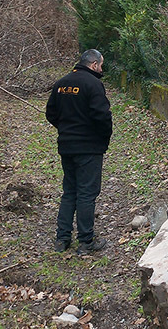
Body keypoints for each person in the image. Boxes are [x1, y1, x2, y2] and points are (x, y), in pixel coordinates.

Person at [46, 49, 112, 255]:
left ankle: (62, 239)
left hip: (66, 146)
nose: (101, 69)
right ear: (93, 65)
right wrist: (102, 138)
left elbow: (51, 114)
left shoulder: (61, 84)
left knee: (70, 192)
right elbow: (102, 117)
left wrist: (66, 130)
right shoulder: (93, 84)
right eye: (101, 65)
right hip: (89, 148)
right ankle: (86, 241)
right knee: (87, 193)